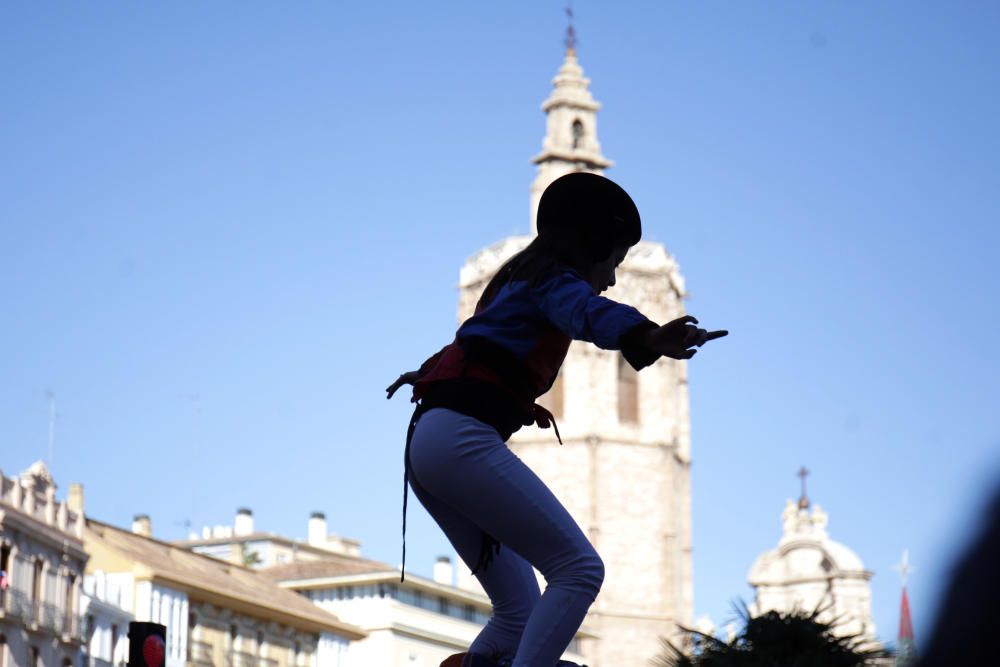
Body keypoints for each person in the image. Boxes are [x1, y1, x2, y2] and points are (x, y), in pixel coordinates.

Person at [386, 172, 728, 667]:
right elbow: (589, 312)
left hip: (428, 447)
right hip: (459, 441)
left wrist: (516, 402)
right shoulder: (553, 283)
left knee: (517, 612)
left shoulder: (511, 284)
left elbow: (477, 351)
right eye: (612, 261)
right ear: (588, 246)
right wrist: (650, 337)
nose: (611, 277)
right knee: (579, 570)